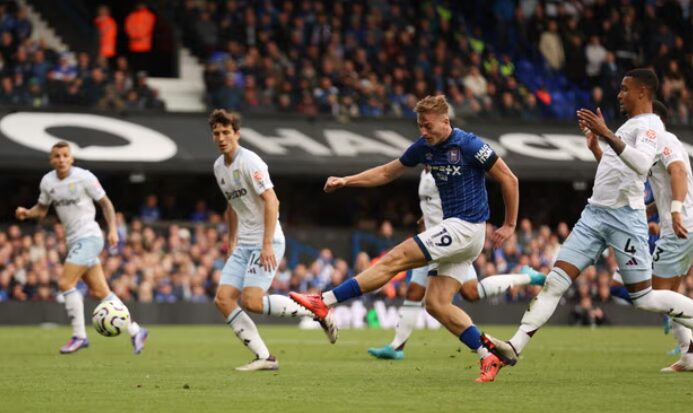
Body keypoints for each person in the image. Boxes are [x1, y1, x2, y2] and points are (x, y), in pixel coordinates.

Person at [290, 95, 520, 382]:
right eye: (420, 126)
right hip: (457, 233)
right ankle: (489, 355)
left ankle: (324, 301)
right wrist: (347, 180)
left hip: (467, 227)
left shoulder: (470, 144)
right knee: (436, 304)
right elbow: (387, 172)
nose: (423, 132)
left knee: (395, 259)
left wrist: (510, 224)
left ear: (445, 121)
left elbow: (509, 179)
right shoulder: (424, 148)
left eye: (428, 126)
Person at [482, 69, 693, 377]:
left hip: (624, 218)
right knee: (555, 281)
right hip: (594, 214)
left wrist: (606, 134)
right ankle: (513, 347)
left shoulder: (651, 125)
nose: (619, 94)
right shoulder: (628, 126)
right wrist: (598, 146)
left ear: (642, 93)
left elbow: (643, 164)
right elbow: (616, 171)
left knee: (644, 297)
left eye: (624, 89)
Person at [367, 168, 545, 361]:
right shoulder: (425, 172)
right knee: (414, 292)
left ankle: (526, 276)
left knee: (471, 292)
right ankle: (397, 346)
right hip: (429, 241)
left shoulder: (445, 171)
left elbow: (456, 201)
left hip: (449, 242)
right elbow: (430, 202)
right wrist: (425, 217)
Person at [208, 109, 337, 372]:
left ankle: (314, 309)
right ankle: (264, 357)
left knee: (252, 302)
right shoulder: (219, 167)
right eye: (216, 133)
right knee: (223, 299)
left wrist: (266, 244)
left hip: (267, 241)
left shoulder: (250, 162)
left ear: (237, 133)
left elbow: (272, 201)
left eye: (226, 132)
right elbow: (231, 206)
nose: (221, 138)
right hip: (243, 244)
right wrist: (231, 241)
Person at [15, 141, 148, 354]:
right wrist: (27, 213)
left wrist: (113, 229)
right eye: (57, 156)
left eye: (65, 155)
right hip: (74, 241)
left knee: (66, 282)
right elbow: (41, 210)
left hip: (90, 237)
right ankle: (136, 331)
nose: (61, 160)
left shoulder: (84, 177)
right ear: (51, 160)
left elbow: (106, 203)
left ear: (71, 158)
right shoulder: (47, 182)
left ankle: (79, 336)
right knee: (99, 291)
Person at [594, 101, 693, 371]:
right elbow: (622, 173)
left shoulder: (667, 141)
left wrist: (673, 211)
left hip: (681, 228)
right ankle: (689, 357)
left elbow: (679, 172)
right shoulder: (652, 151)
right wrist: (653, 212)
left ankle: (689, 355)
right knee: (669, 296)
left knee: (656, 295)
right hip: (678, 227)